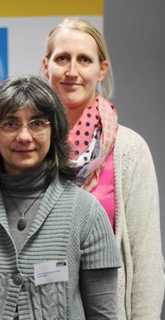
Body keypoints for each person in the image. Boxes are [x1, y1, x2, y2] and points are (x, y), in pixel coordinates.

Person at [0, 76, 122, 319]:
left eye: (37, 123)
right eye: (10, 124)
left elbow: (104, 315)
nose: (24, 136)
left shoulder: (86, 212)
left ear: (54, 130)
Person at [42, 17, 164, 319]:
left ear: (102, 69)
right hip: (42, 307)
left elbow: (146, 257)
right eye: (62, 59)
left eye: (84, 60)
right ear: (46, 66)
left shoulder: (130, 149)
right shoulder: (28, 145)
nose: (72, 71)